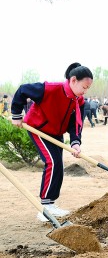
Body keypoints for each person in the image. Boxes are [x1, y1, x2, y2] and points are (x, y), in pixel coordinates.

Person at [10, 63, 93, 221]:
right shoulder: (50, 88)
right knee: (53, 163)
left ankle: (50, 204)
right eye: (84, 86)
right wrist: (16, 114)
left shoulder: (79, 101)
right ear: (73, 80)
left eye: (88, 88)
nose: (85, 91)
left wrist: (76, 142)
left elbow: (76, 124)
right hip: (38, 128)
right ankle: (44, 209)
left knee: (58, 166)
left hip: (56, 133)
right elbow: (22, 90)